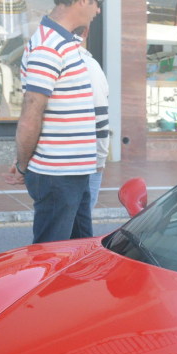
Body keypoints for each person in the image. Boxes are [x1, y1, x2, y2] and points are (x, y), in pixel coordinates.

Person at [5, 0, 103, 244]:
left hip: (73, 174)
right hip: (58, 177)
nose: (98, 9)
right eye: (98, 2)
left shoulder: (64, 42)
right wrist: (24, 166)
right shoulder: (48, 47)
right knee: (51, 260)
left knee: (80, 256)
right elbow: (30, 116)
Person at [73, 22, 109, 240]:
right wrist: (100, 158)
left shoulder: (83, 64)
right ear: (85, 33)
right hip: (84, 159)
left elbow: (100, 116)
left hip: (77, 161)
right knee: (78, 227)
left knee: (75, 229)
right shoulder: (88, 65)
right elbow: (101, 116)